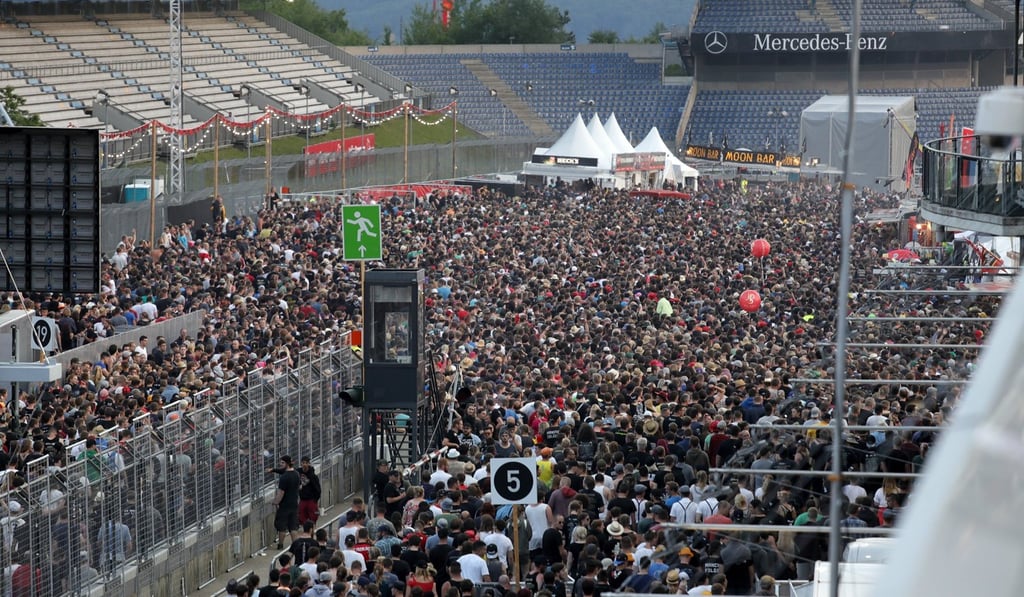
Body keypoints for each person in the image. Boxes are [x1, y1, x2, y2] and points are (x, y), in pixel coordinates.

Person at [271, 455, 302, 548]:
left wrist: (275, 502)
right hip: (294, 503)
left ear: (287, 463)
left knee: (282, 526)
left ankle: (280, 545)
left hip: (284, 505)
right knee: (293, 527)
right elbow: (300, 486)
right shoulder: (296, 474)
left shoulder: (284, 477)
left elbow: (281, 492)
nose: (280, 464)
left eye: (282, 462)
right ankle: (296, 545)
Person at [299, 456, 323, 526]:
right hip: (303, 499)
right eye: (303, 463)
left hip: (311, 500)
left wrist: (315, 499)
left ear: (309, 464)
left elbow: (318, 489)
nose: (304, 465)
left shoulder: (313, 476)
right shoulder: (298, 472)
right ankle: (306, 531)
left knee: (313, 517)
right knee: (302, 518)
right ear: (301, 463)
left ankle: (312, 531)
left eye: (306, 463)